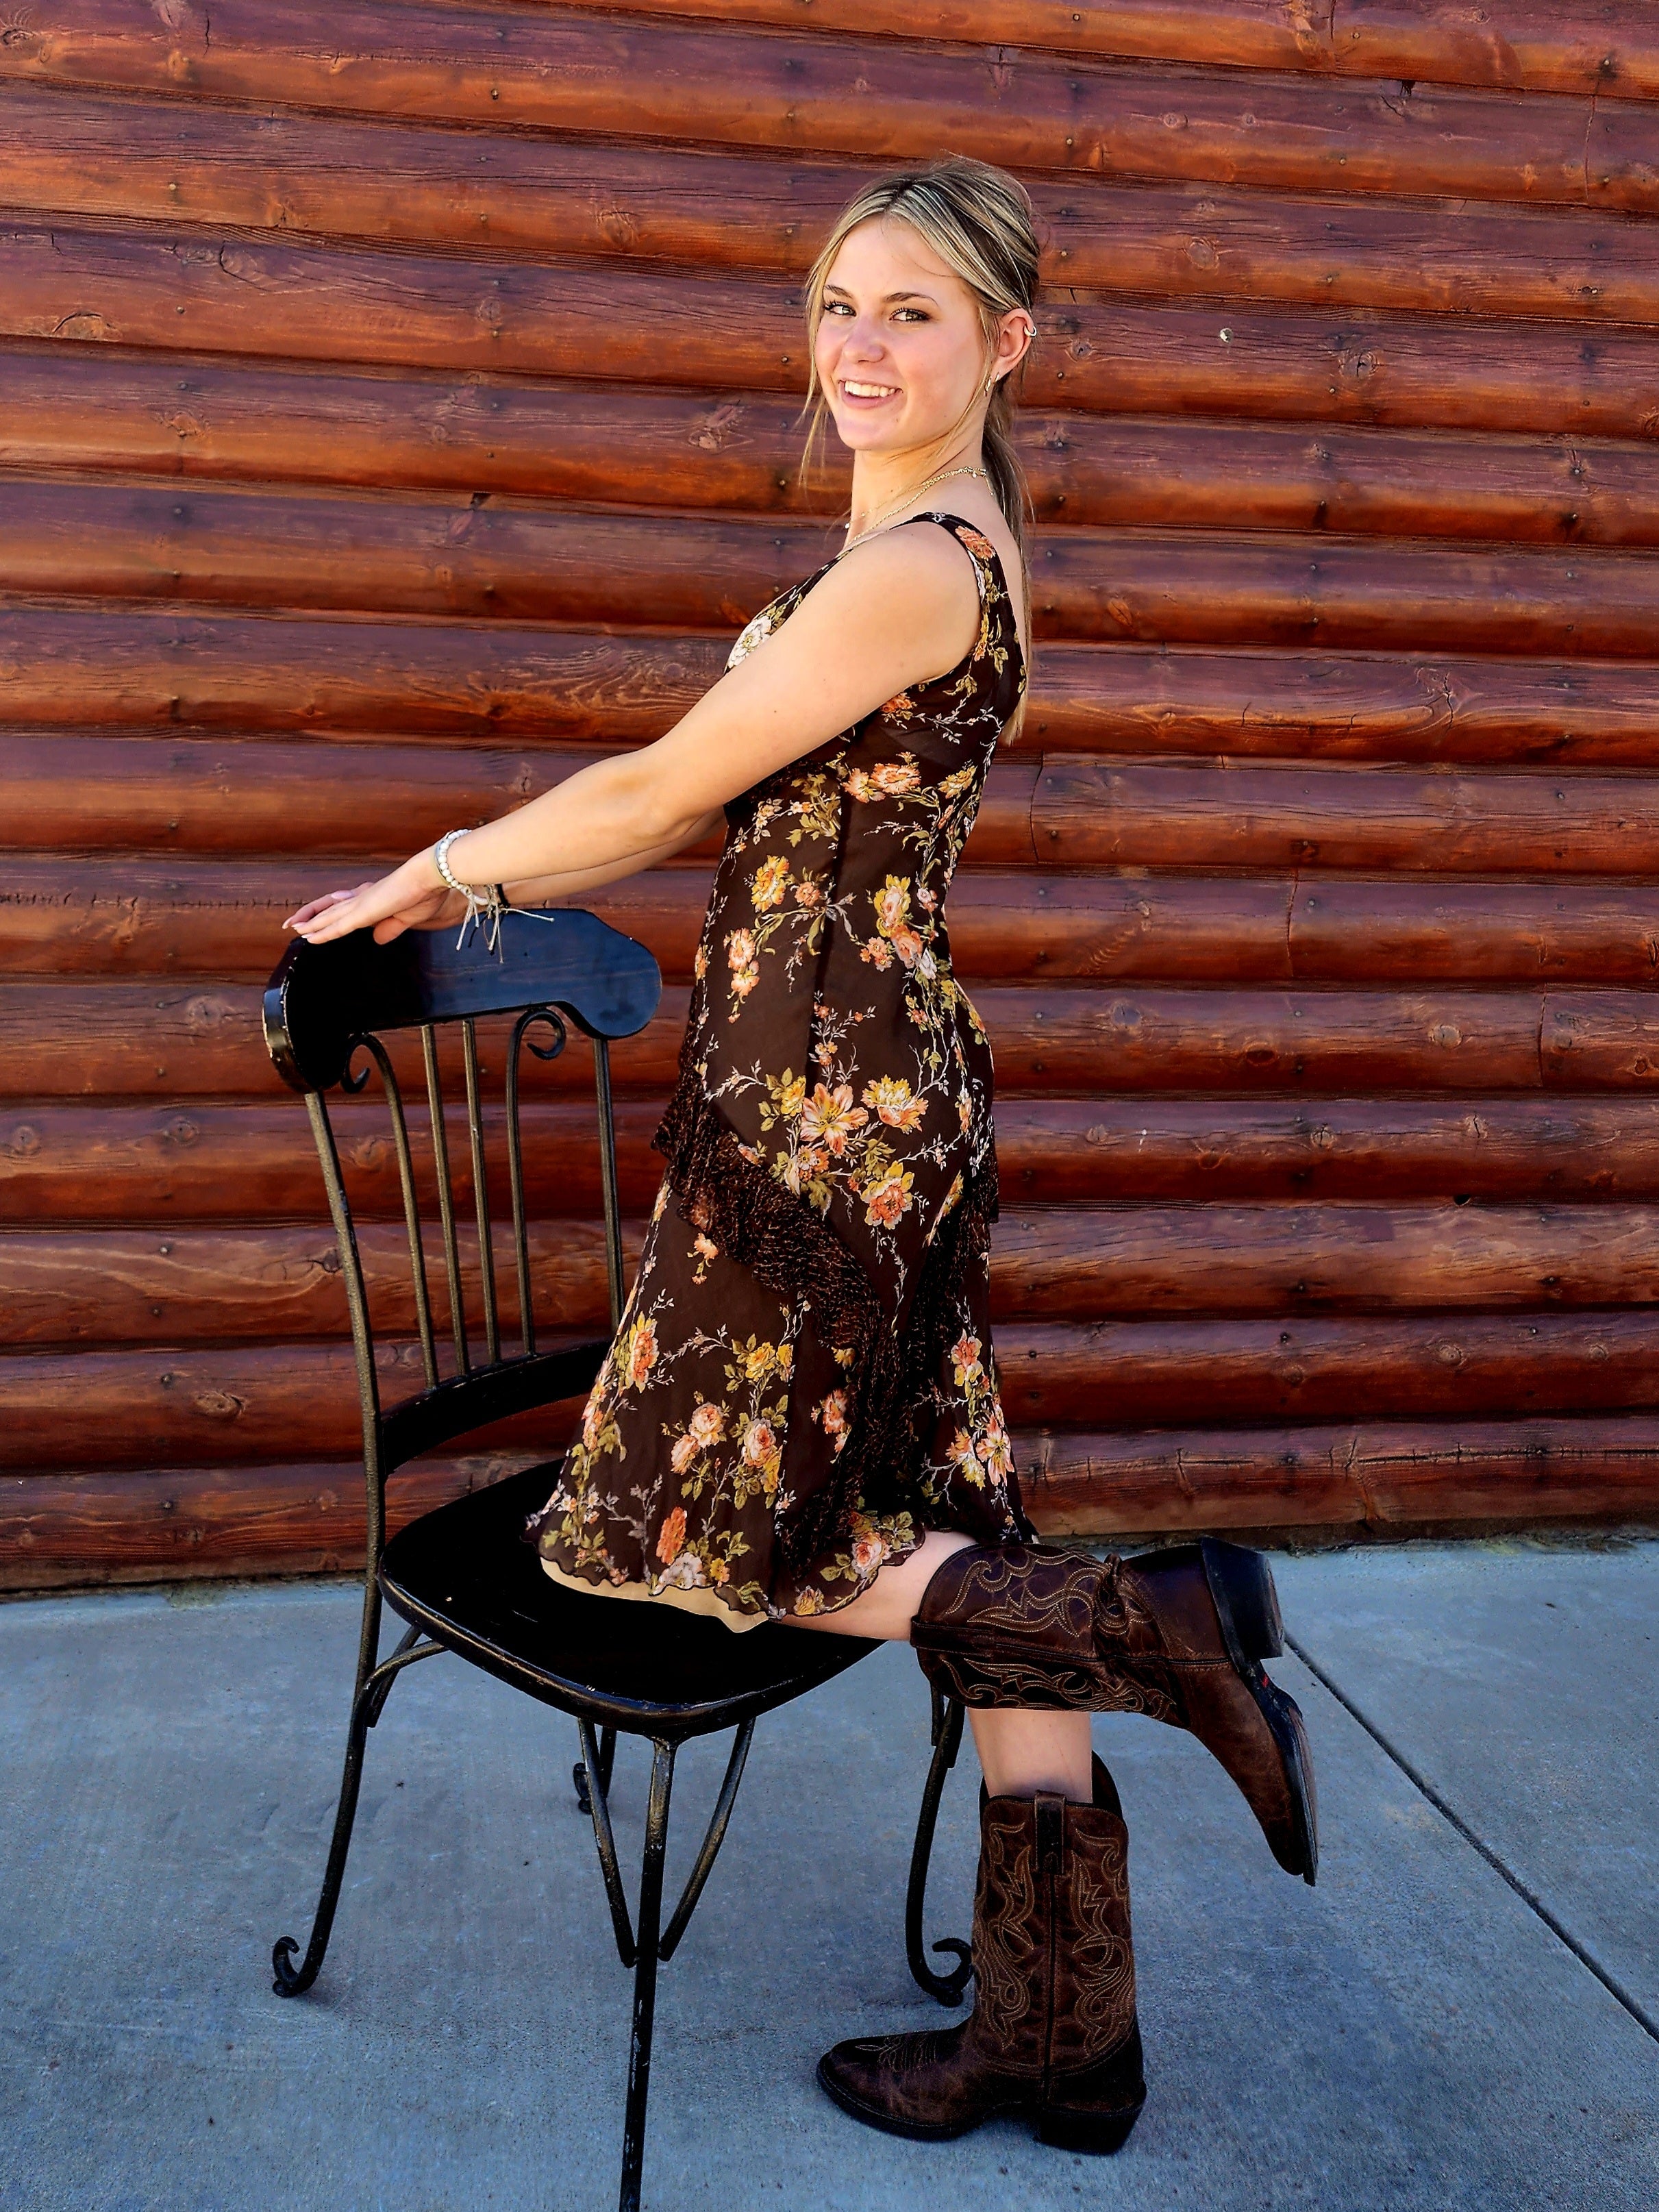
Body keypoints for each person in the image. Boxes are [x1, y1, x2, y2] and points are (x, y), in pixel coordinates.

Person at [287, 155, 1317, 2157]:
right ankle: (1064, 2038)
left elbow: (672, 788)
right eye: (840, 302)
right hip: (885, 1071)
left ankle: (1152, 1628)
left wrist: (434, 871)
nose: (860, 344)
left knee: (662, 1531)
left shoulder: (914, 566)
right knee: (950, 1506)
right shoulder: (951, 545)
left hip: (817, 1098)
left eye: (914, 310)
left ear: (1006, 343)